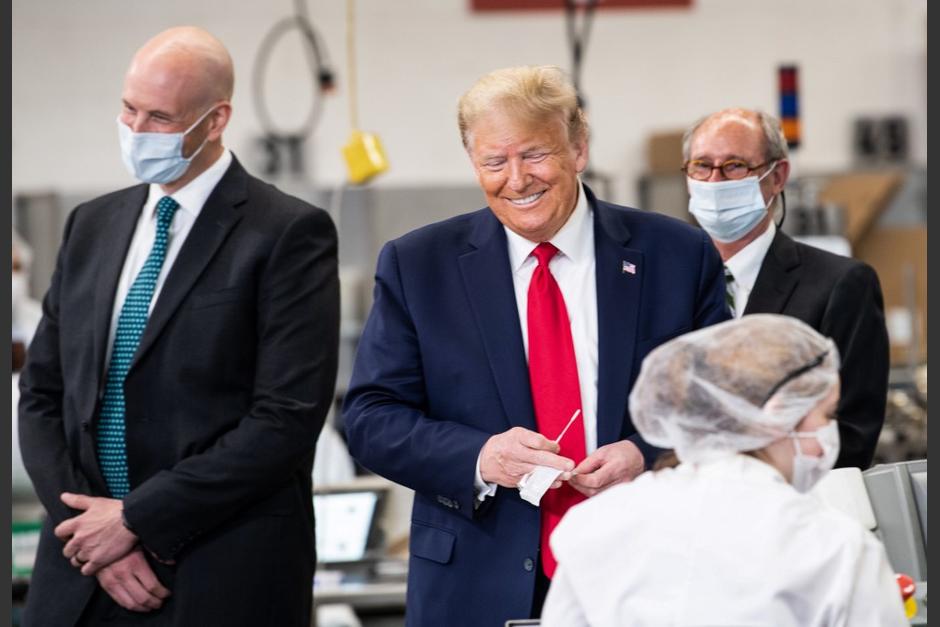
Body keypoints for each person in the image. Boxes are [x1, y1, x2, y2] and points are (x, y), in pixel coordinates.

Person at [342, 65, 729, 626]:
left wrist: (645, 454)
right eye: (494, 162)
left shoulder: (676, 254)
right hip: (475, 584)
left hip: (648, 573)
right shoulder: (418, 265)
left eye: (535, 155)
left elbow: (719, 402)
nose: (517, 179)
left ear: (578, 149)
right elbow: (371, 419)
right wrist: (480, 457)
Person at [18, 26, 339, 626]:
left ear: (214, 120)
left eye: (160, 118)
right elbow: (41, 394)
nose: (136, 131)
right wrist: (91, 532)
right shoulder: (91, 225)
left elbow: (285, 419)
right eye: (128, 109)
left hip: (217, 570)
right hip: (82, 573)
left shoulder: (286, 233)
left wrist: (135, 519)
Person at [542, 314, 908, 627]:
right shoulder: (830, 545)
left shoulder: (600, 524)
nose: (829, 436)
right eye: (827, 416)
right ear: (780, 413)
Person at [682, 108, 889, 470]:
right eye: (702, 165)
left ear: (777, 176)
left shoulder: (840, 284)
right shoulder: (669, 282)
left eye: (734, 166)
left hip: (789, 507)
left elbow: (854, 434)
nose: (714, 182)